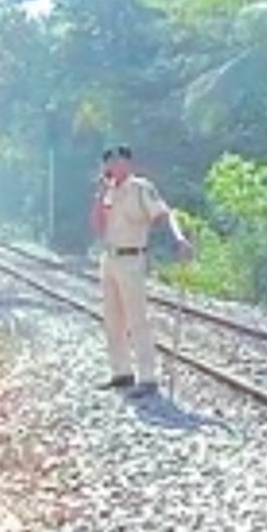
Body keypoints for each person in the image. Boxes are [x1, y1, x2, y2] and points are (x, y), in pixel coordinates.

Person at [88, 145, 193, 397]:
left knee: (137, 319)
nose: (114, 166)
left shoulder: (141, 188)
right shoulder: (108, 191)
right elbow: (97, 227)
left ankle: (147, 377)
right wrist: (100, 196)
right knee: (113, 320)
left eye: (118, 161)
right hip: (110, 258)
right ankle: (121, 373)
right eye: (109, 163)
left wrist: (179, 239)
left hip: (132, 258)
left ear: (128, 163)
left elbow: (164, 214)